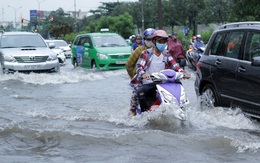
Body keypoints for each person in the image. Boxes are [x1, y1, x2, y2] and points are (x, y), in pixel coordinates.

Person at [129, 30, 189, 116]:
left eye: (164, 41)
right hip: (149, 82)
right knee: (139, 92)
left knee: (179, 86)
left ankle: (182, 108)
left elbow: (175, 66)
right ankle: (143, 115)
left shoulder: (166, 54)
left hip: (163, 83)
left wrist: (183, 73)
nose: (162, 43)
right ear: (154, 41)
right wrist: (143, 74)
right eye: (160, 41)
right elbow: (139, 67)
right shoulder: (146, 53)